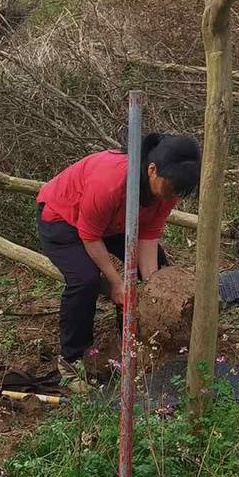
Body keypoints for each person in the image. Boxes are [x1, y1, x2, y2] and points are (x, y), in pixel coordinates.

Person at [36, 132, 201, 388]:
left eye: (178, 192)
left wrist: (153, 287)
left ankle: (134, 345)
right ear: (152, 170)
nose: (172, 197)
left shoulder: (169, 191)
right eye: (169, 188)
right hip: (63, 219)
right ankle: (71, 362)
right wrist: (116, 283)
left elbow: (148, 236)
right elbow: (90, 236)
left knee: (157, 270)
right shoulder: (110, 182)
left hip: (112, 224)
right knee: (85, 280)